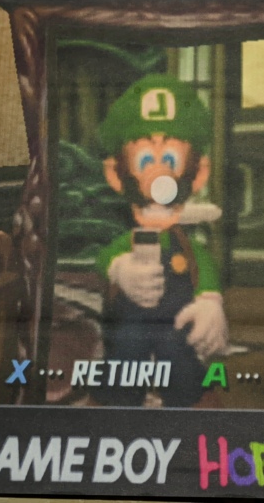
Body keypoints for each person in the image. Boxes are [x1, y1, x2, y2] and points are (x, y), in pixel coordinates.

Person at [93, 73, 228, 407]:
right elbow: (105, 258)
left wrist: (210, 304)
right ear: (115, 174)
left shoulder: (188, 246)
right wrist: (120, 269)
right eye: (144, 161)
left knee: (179, 354)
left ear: (198, 173)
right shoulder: (128, 240)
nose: (159, 178)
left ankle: (186, 401)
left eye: (170, 161)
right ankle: (119, 405)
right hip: (131, 323)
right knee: (126, 347)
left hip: (176, 323)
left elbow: (204, 270)